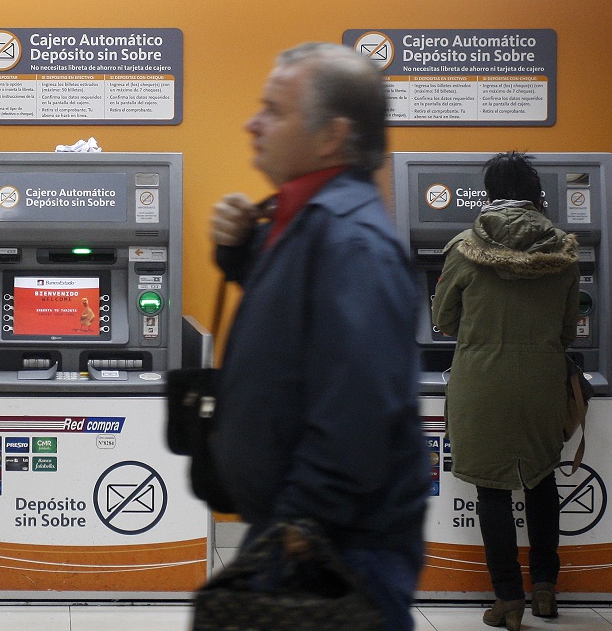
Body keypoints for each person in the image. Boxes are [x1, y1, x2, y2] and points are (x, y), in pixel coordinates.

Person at [208, 42, 430, 630]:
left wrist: (297, 527)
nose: (252, 123)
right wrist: (240, 253)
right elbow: (297, 328)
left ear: (332, 136)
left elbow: (361, 408)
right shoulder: (308, 220)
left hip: (336, 546)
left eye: (273, 110)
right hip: (301, 529)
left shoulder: (352, 242)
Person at [432, 151, 578, 630]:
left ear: (490, 194)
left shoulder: (464, 247)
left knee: (491, 490)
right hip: (541, 383)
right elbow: (568, 331)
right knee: (541, 480)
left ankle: (508, 600)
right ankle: (546, 589)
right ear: (537, 195)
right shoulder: (564, 251)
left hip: (482, 382)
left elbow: (443, 319)